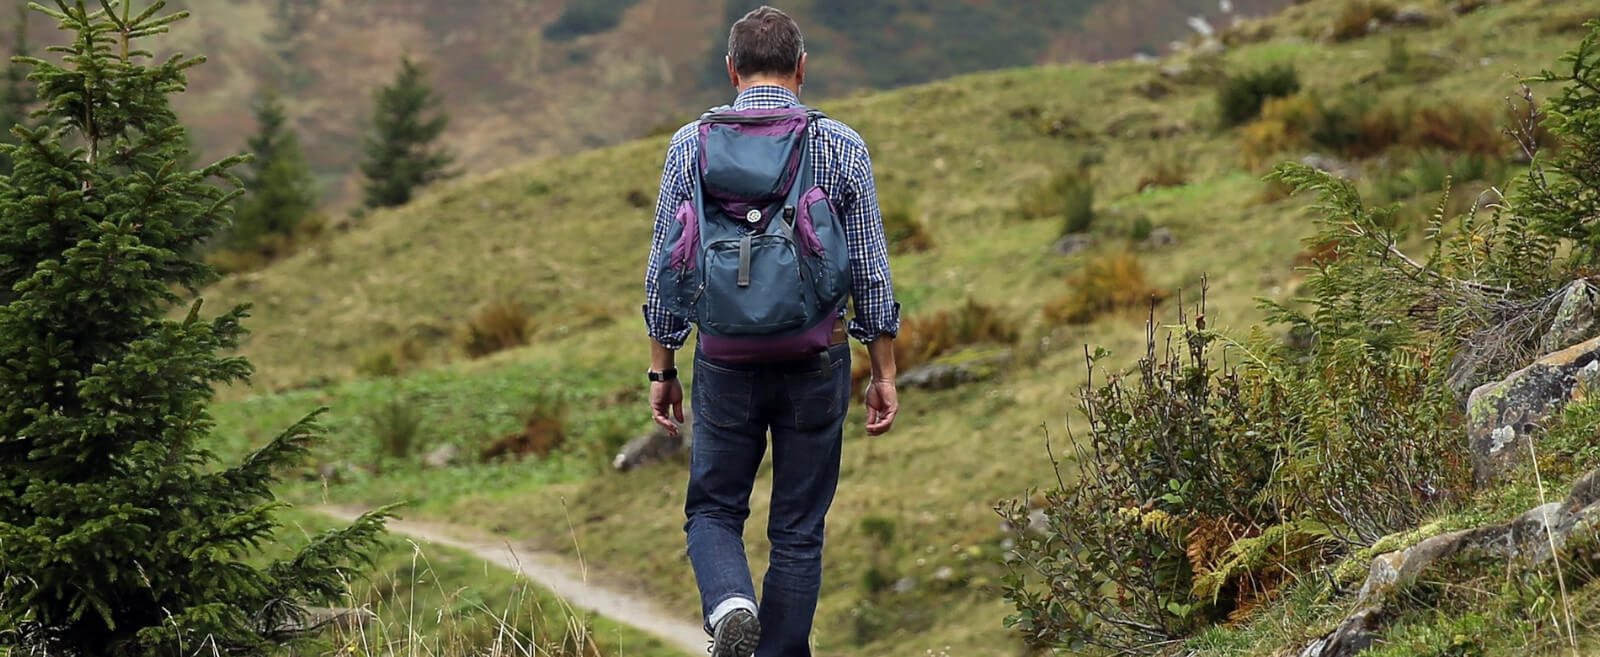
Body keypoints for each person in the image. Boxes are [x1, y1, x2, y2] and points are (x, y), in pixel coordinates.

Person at [641, 6, 901, 657]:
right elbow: (870, 271)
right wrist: (884, 369)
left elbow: (664, 269)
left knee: (713, 509)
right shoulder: (840, 144)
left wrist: (663, 368)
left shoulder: (687, 146)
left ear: (731, 70)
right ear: (802, 69)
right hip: (816, 358)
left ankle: (729, 602)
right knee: (798, 529)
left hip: (725, 359)